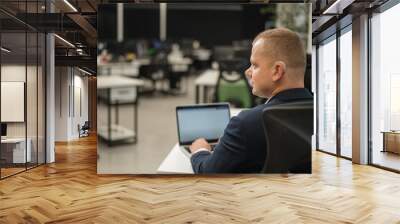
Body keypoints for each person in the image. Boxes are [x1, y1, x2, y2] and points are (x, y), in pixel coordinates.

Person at [189, 28, 313, 173]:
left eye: (255, 65)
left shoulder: (246, 124)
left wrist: (200, 151)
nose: (248, 71)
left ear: (277, 71)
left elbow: (209, 173)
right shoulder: (323, 116)